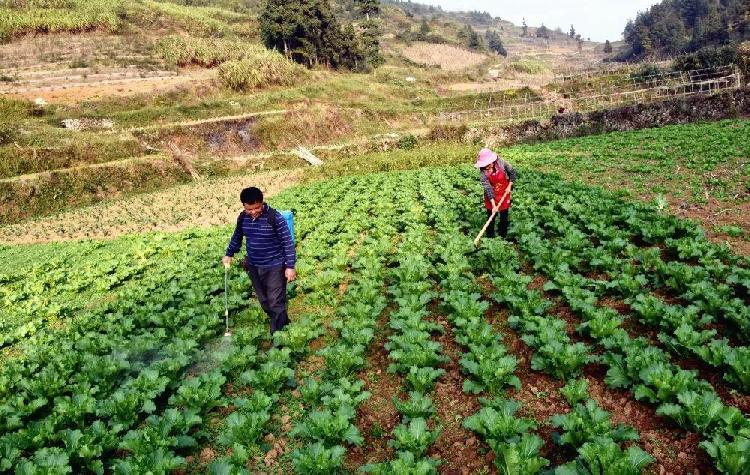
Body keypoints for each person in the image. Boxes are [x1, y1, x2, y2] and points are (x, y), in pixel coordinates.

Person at [222, 187, 296, 334]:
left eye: (257, 207)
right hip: (254, 265)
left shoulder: (274, 218)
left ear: (262, 203)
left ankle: (278, 336)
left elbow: (288, 242)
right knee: (264, 301)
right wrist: (229, 254)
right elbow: (237, 237)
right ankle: (282, 320)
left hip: (275, 266)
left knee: (275, 301)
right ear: (244, 205)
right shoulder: (243, 218)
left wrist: (290, 266)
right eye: (250, 209)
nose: (254, 211)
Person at [475, 148, 516, 239]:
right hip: (491, 196)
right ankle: (490, 238)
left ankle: (503, 236)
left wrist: (510, 186)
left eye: (489, 166)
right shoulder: (483, 173)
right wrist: (493, 205)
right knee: (491, 217)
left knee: (504, 217)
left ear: (492, 161)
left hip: (504, 192)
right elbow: (488, 189)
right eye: (485, 167)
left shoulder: (501, 163)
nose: (487, 168)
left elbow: (512, 173)